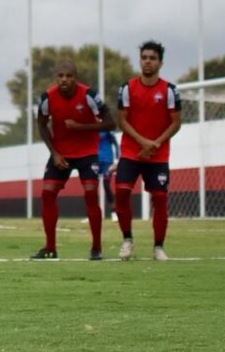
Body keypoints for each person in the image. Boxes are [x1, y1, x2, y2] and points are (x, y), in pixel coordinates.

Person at [30, 60, 115, 260]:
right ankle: (50, 248)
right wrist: (54, 153)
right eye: (60, 76)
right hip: (61, 153)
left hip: (87, 153)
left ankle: (96, 248)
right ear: (55, 78)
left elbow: (111, 123)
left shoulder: (89, 95)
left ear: (75, 78)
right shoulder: (47, 98)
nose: (64, 80)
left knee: (90, 194)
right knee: (47, 193)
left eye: (69, 76)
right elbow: (41, 125)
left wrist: (81, 127)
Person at [115, 41, 182, 262]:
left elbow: (175, 123)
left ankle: (158, 247)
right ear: (140, 60)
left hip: (157, 154)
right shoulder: (127, 88)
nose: (148, 61)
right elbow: (122, 121)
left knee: (160, 198)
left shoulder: (169, 90)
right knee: (122, 193)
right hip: (130, 152)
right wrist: (143, 142)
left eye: (152, 58)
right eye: (144, 57)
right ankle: (127, 240)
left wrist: (155, 144)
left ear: (160, 63)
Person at [97, 129, 119, 210]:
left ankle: (114, 211)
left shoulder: (107, 129)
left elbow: (115, 143)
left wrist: (117, 159)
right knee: (91, 185)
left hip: (108, 161)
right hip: (95, 161)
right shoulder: (90, 128)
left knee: (106, 183)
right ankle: (92, 212)